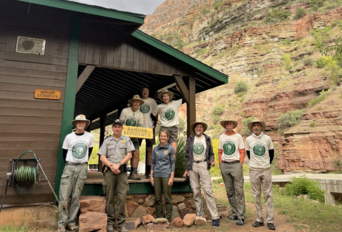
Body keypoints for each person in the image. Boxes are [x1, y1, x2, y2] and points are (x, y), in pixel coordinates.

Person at [58, 115, 94, 232]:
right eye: (78, 121)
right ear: (75, 123)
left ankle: (72, 223)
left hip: (82, 167)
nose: (80, 123)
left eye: (82, 122)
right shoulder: (69, 137)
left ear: (85, 124)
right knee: (64, 196)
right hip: (70, 167)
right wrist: (71, 163)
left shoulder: (90, 136)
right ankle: (61, 224)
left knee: (76, 196)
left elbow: (89, 151)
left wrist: (81, 163)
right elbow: (64, 154)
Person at [98, 119, 135, 232]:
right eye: (115, 127)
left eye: (119, 127)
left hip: (122, 173)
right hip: (109, 172)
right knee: (109, 198)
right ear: (112, 128)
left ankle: (121, 224)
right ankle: (110, 223)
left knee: (121, 198)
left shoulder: (127, 140)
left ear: (122, 128)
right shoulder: (107, 140)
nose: (117, 128)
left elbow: (129, 155)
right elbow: (102, 156)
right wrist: (111, 166)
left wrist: (118, 165)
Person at [183, 122, 220, 227]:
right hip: (193, 166)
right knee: (196, 191)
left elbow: (211, 153)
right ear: (194, 128)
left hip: (204, 164)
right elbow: (187, 155)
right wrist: (187, 169)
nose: (198, 128)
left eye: (200, 127)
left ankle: (215, 217)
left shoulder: (207, 139)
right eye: (197, 127)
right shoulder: (190, 139)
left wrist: (212, 160)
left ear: (203, 128)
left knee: (208, 190)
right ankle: (200, 215)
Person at [245, 118, 276, 231]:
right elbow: (249, 154)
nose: (256, 127)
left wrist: (265, 164)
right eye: (254, 126)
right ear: (252, 128)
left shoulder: (267, 138)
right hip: (254, 170)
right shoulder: (248, 139)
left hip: (266, 170)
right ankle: (259, 219)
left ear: (261, 127)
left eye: (258, 125)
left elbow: (271, 153)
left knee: (268, 194)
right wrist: (256, 164)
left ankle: (270, 220)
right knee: (256, 195)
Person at [218, 119, 246, 226]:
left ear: (233, 125)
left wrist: (241, 163)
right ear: (225, 126)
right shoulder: (222, 137)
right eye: (227, 124)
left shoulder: (238, 136)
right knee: (229, 190)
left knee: (238, 190)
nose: (229, 125)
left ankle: (241, 216)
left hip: (236, 164)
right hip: (225, 165)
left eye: (230, 124)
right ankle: (234, 212)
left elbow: (242, 150)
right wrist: (221, 163)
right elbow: (220, 151)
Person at [150, 129, 175, 221]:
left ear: (167, 137)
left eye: (165, 136)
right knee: (157, 198)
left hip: (166, 175)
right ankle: (159, 218)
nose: (162, 137)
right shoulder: (155, 149)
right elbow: (153, 162)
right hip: (156, 175)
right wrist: (151, 176)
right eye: (161, 136)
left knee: (167, 197)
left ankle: (168, 218)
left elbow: (173, 163)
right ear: (159, 137)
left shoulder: (171, 149)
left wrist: (171, 177)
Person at [120, 94, 144, 180]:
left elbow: (140, 128)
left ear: (139, 103)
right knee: (123, 153)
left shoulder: (140, 114)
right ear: (132, 102)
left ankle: (133, 172)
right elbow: (120, 123)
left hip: (134, 137)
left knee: (136, 153)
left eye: (138, 102)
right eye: (135, 102)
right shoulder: (125, 111)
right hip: (124, 136)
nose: (136, 103)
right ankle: (122, 171)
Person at [139, 86, 158, 178]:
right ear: (141, 92)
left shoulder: (152, 101)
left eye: (147, 91)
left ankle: (149, 171)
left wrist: (155, 123)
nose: (145, 92)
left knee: (149, 149)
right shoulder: (138, 101)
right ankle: (134, 170)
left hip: (149, 128)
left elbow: (156, 112)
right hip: (138, 128)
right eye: (144, 91)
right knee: (135, 149)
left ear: (149, 92)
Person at [156, 89, 183, 155]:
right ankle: (163, 164)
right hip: (164, 128)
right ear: (162, 98)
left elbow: (184, 98)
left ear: (169, 97)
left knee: (173, 151)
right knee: (163, 150)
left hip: (174, 128)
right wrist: (156, 121)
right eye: (164, 96)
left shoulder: (174, 103)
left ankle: (172, 165)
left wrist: (179, 89)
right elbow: (152, 113)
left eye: (167, 96)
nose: (165, 97)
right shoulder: (159, 106)